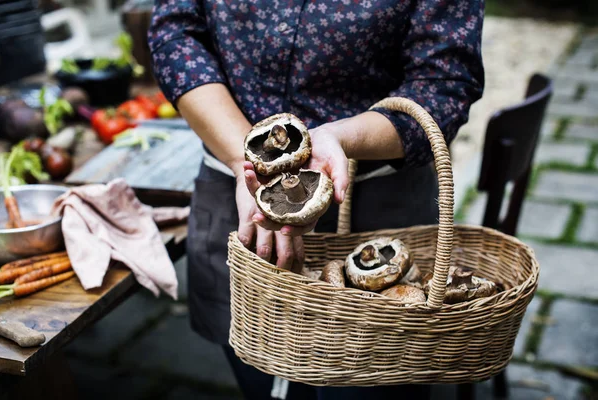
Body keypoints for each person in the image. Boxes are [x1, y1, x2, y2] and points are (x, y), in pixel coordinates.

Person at [148, 1, 484, 399]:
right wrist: (246, 160)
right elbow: (175, 34)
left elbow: (444, 83)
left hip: (376, 213)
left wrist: (342, 138)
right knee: (259, 376)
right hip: (234, 200)